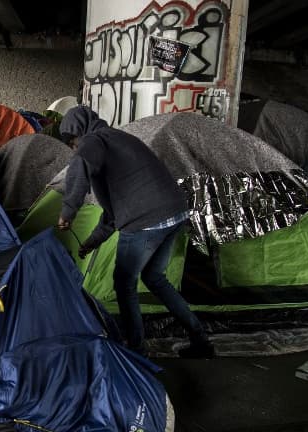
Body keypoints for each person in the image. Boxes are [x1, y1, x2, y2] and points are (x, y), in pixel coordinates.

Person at [56, 106, 214, 359]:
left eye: (72, 142)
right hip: (174, 212)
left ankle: (136, 351)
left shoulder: (93, 141)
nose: (74, 148)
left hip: (146, 220)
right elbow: (113, 212)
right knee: (154, 277)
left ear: (78, 134)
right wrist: (91, 242)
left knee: (124, 283)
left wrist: (68, 211)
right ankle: (201, 341)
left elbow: (81, 162)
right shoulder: (119, 138)